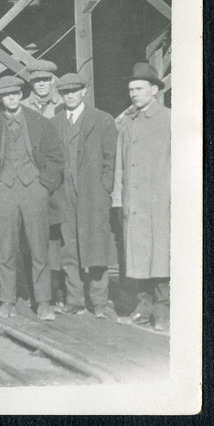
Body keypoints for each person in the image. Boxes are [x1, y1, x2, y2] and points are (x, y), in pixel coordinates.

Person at [0, 75, 65, 320]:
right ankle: (7, 301)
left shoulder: (40, 123)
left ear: (20, 95)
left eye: (15, 94)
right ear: (0, 99)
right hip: (4, 191)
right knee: (6, 249)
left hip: (34, 190)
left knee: (39, 248)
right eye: (6, 96)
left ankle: (44, 302)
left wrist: (44, 186)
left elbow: (56, 158)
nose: (11, 99)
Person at [48, 72, 119, 317]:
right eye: (65, 92)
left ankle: (99, 302)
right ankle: (75, 299)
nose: (70, 95)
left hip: (93, 193)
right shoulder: (55, 122)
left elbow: (111, 158)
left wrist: (104, 188)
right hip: (63, 193)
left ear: (84, 92)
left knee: (96, 246)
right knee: (69, 247)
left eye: (74, 91)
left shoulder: (102, 120)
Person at [113, 63, 171, 331]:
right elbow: (120, 164)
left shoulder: (169, 119)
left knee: (160, 255)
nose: (134, 94)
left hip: (160, 202)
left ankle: (162, 310)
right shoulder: (127, 122)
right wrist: (118, 197)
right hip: (134, 203)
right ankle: (143, 306)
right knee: (138, 257)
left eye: (139, 89)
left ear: (155, 90)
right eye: (130, 90)